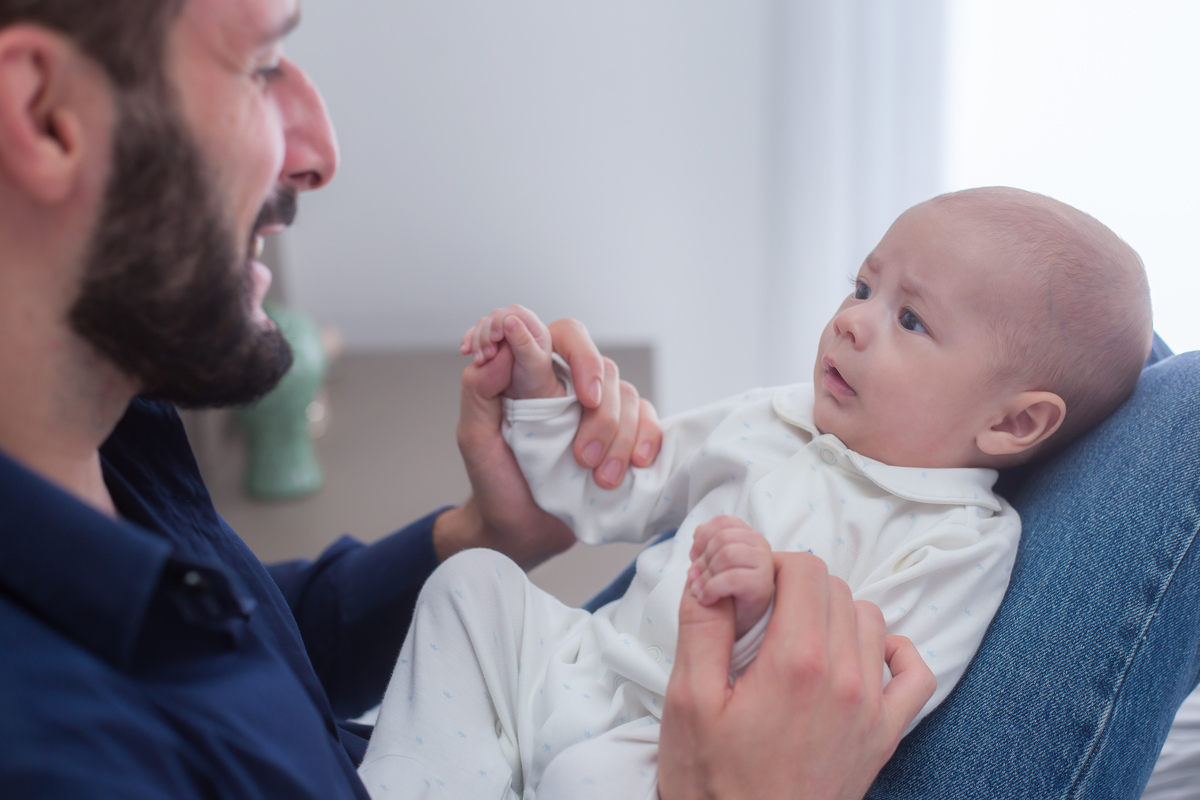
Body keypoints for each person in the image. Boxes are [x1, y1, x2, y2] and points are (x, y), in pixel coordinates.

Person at [0, 1, 934, 798]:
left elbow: (240, 644)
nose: (320, 151)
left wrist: (489, 530)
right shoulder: (57, 753)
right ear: (47, 114)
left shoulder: (113, 426)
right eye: (261, 66)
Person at [359, 187, 1154, 798]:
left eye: (910, 320)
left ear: (1014, 424)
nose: (851, 321)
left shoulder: (960, 538)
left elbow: (867, 697)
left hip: (671, 745)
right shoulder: (774, 417)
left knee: (584, 781)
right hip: (585, 663)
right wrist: (541, 403)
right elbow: (616, 493)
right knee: (472, 585)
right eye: (862, 286)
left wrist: (756, 613)